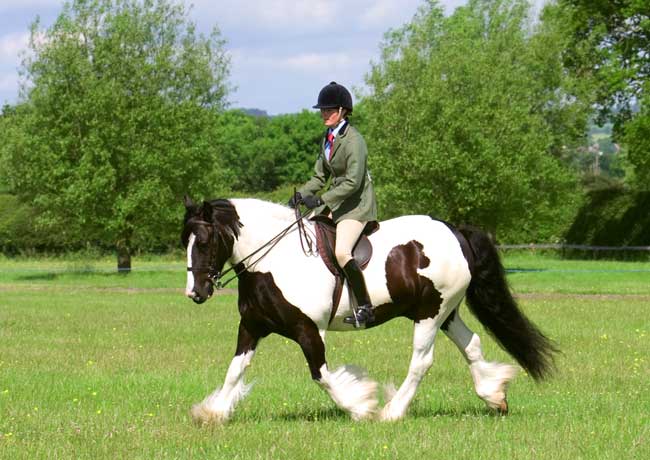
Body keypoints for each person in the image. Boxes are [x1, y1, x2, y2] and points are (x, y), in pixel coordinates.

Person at [288, 81, 378, 327]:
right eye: (322, 110)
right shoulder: (327, 138)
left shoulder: (354, 141)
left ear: (342, 111)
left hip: (357, 206)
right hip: (337, 203)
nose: (324, 114)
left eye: (329, 110)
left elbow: (353, 181)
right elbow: (319, 177)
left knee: (341, 251)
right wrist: (301, 194)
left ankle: (366, 307)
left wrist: (322, 199)